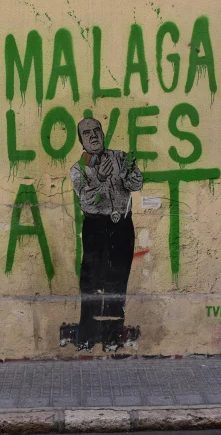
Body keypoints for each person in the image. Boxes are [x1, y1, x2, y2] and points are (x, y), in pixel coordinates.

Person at [69, 117, 143, 351]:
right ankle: (88, 335)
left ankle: (113, 336)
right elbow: (86, 199)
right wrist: (100, 179)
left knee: (117, 281)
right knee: (91, 281)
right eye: (86, 133)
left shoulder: (120, 157)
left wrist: (130, 174)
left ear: (103, 133)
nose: (93, 135)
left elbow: (137, 183)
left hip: (122, 226)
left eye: (96, 130)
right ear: (81, 140)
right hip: (95, 227)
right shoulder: (78, 169)